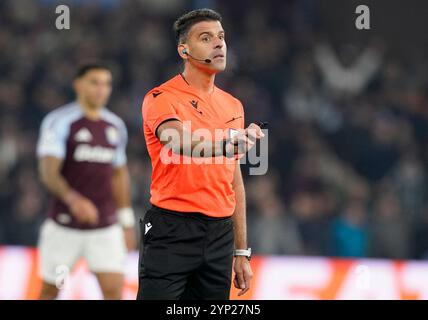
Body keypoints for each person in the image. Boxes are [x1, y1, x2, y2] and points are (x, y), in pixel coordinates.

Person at [137, 8, 264, 300]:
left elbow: (235, 183)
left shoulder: (234, 106)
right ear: (184, 49)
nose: (219, 44)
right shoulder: (161, 98)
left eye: (221, 37)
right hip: (171, 230)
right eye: (206, 38)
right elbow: (177, 141)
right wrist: (224, 145)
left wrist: (242, 251)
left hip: (220, 235)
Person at [36, 63, 136, 300]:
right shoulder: (60, 121)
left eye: (106, 84)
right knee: (51, 290)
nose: (101, 89)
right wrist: (74, 200)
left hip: (105, 226)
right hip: (64, 225)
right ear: (78, 85)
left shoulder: (115, 127)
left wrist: (126, 221)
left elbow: (119, 174)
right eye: (95, 82)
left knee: (113, 291)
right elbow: (49, 172)